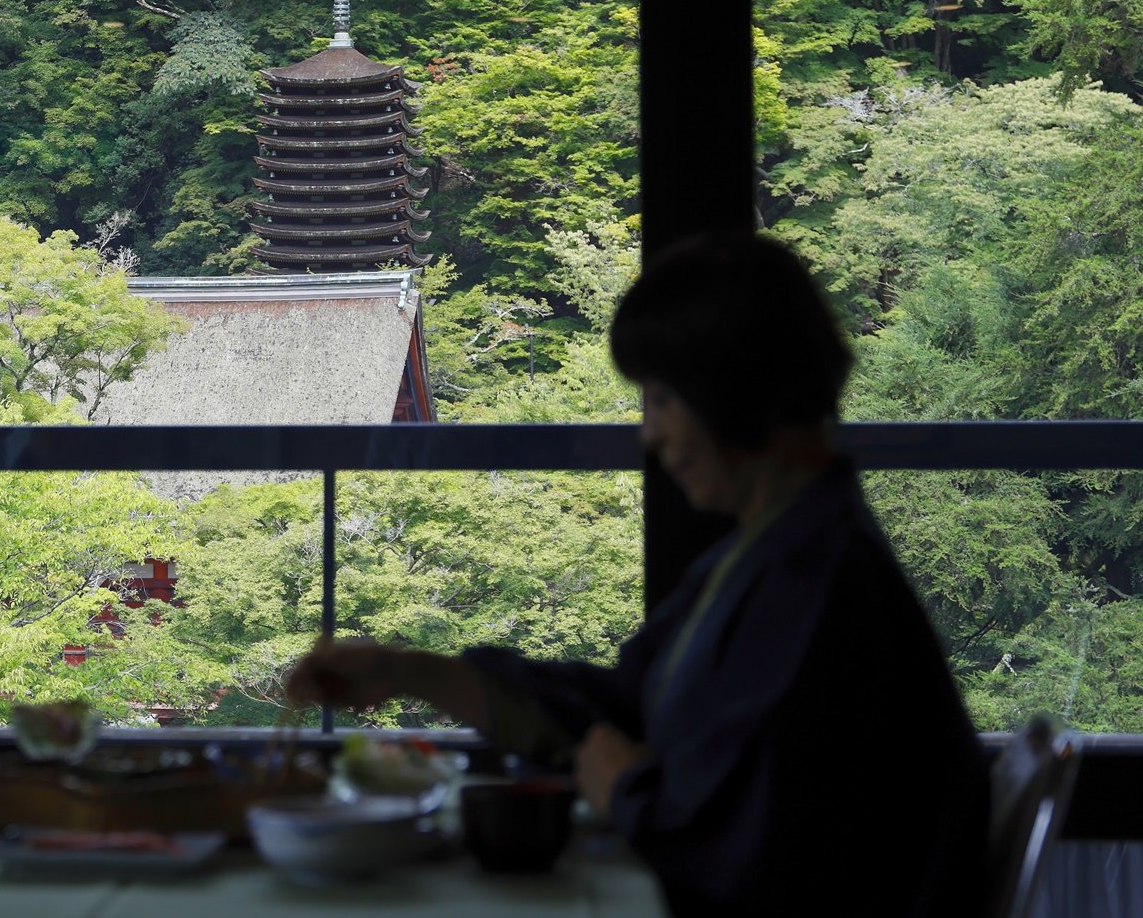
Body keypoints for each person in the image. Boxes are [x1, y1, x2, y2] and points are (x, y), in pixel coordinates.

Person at [287, 234, 988, 917]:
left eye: (659, 400)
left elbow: (758, 849)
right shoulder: (774, 556)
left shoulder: (818, 588)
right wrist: (405, 670)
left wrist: (628, 790)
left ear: (728, 392)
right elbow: (619, 709)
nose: (649, 435)